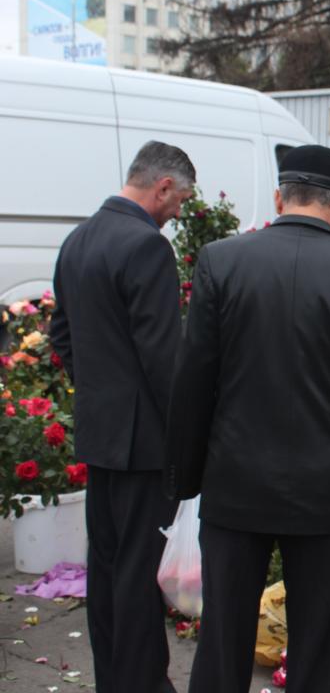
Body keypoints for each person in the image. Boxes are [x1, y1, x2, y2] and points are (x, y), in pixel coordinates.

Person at [165, 145, 330, 693]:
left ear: (279, 196)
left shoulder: (221, 261)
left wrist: (184, 481)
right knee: (317, 640)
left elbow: (193, 382)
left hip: (234, 483)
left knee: (223, 637)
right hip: (325, 489)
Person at [48, 140, 195, 693]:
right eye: (179, 199)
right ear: (160, 187)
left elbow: (62, 333)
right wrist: (188, 435)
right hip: (143, 445)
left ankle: (113, 678)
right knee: (137, 574)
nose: (179, 211)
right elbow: (164, 359)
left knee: (107, 570)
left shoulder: (79, 238)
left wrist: (100, 392)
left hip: (101, 433)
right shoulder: (147, 247)